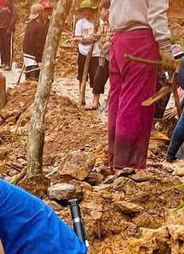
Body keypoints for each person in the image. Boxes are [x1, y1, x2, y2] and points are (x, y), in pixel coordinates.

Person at [107, 0, 174, 171]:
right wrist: (165, 46)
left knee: (117, 99)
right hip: (140, 40)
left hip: (118, 40)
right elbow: (157, 12)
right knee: (135, 101)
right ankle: (128, 163)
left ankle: (116, 157)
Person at [74, 1, 100, 108]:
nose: (85, 12)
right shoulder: (80, 23)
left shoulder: (99, 23)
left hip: (95, 53)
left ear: (91, 11)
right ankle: (82, 97)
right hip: (83, 52)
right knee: (81, 75)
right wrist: (89, 39)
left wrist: (91, 39)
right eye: (83, 10)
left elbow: (99, 36)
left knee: (95, 76)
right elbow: (78, 38)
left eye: (87, 10)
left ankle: (95, 100)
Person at [89, 0, 112, 111]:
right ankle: (95, 102)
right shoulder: (104, 25)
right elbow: (97, 36)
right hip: (103, 57)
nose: (101, 13)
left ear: (107, 10)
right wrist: (85, 38)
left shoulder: (116, 24)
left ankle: (110, 104)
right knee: (98, 78)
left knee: (114, 81)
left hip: (113, 57)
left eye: (102, 10)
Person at [22, 4, 47, 81]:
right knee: (34, 80)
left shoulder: (30, 24)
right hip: (34, 58)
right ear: (40, 14)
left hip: (27, 55)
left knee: (28, 79)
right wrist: (39, 60)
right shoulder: (40, 27)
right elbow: (39, 45)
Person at [0, 0, 17, 70]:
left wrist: (10, 28)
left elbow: (14, 17)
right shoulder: (3, 6)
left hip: (7, 29)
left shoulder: (13, 6)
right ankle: (3, 62)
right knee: (2, 46)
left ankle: (8, 64)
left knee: (8, 46)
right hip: (0, 28)